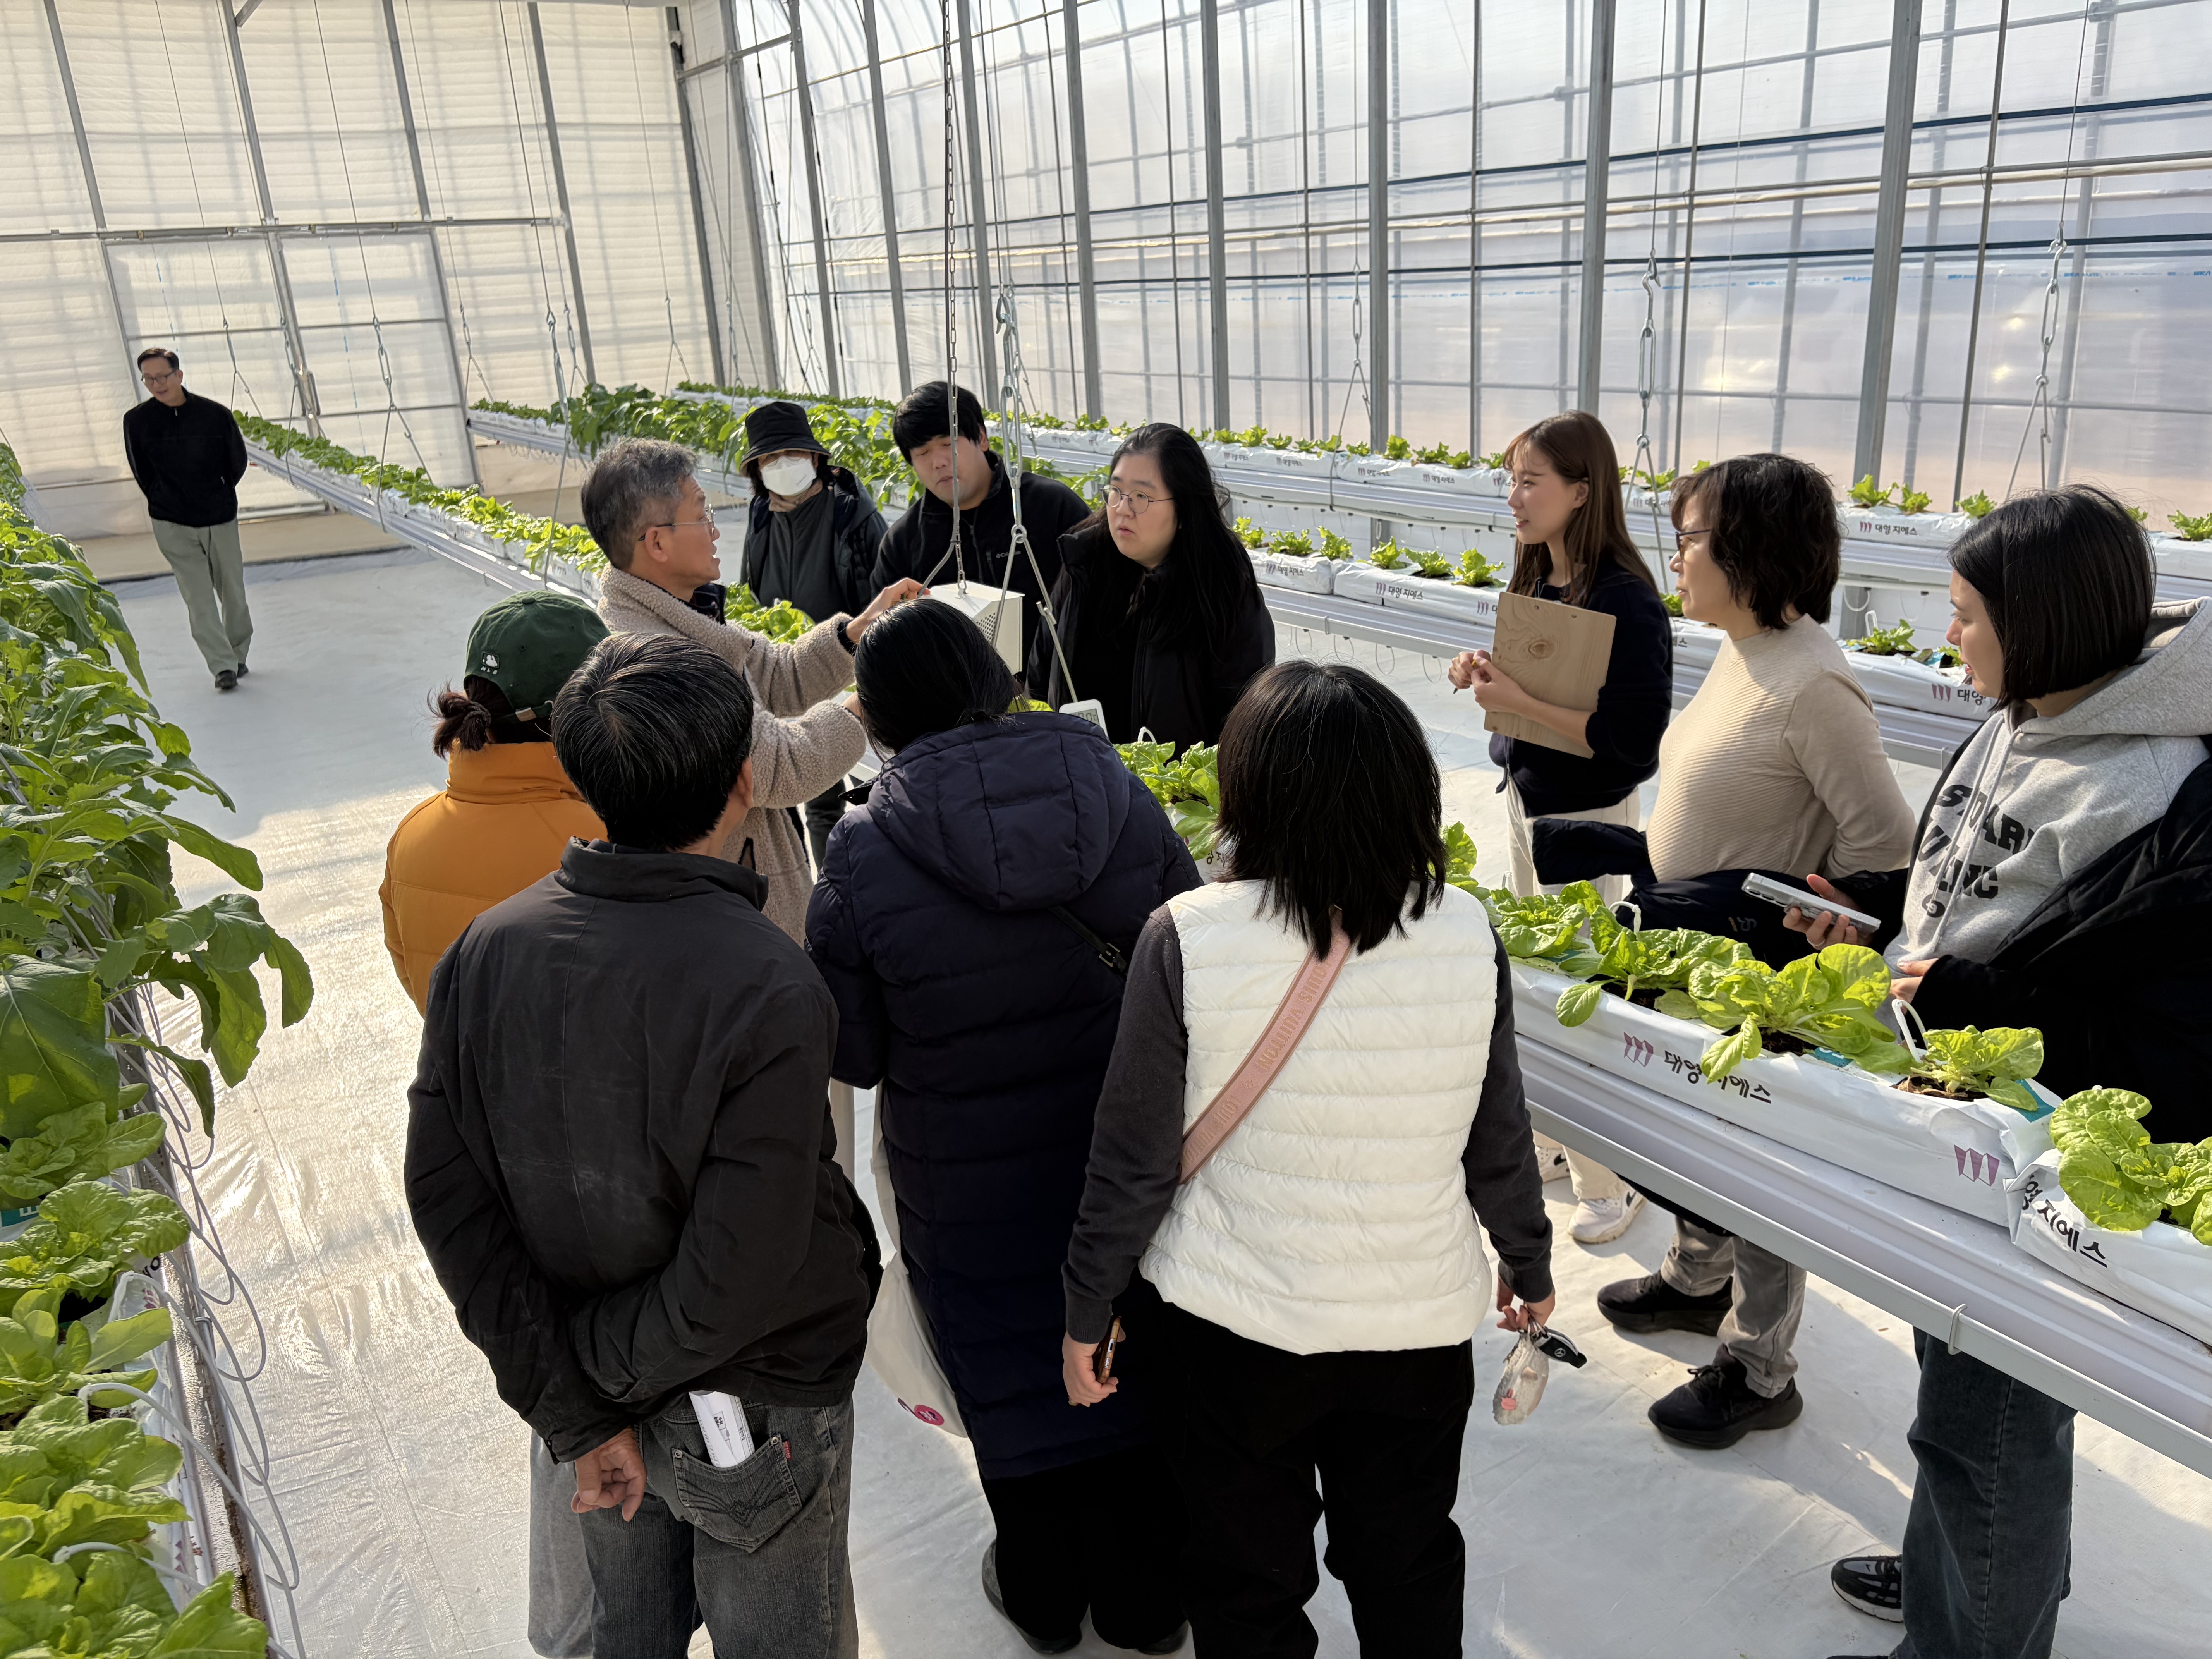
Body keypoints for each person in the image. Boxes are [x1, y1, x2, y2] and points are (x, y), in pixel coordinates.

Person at [1060, 659, 1555, 1659]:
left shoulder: (1187, 936)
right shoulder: (1464, 930)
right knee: (1406, 1559)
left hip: (1229, 1328)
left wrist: (1086, 1308)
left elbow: (1132, 1161)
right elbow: (1495, 1129)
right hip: (1412, 1329)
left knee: (1246, 1579)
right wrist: (1529, 1264)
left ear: (1252, 791)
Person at [406, 631, 879, 1659]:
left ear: (581, 775)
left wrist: (577, 1404)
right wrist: (596, 1376)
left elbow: (448, 1200)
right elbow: (740, 1264)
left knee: (631, 1633)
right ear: (745, 782)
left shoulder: (490, 947)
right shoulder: (767, 981)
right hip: (754, 1395)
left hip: (597, 1400)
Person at [1802, 486, 2212, 1659]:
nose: (1949, 639)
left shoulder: (2166, 792)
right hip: (1956, 1121)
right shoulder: (2023, 712)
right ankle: (1965, 1576)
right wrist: (1877, 921)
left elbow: (2169, 1055)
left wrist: (1967, 1000)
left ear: (2038, 622)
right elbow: (1976, 895)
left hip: (2038, 1153)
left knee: (1988, 1421)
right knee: (1968, 1398)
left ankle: (1969, 1629)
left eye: (1964, 615)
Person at [807, 599, 1198, 1657]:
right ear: (997, 677)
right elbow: (1194, 950)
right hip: (1127, 1156)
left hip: (967, 1186)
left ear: (880, 719)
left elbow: (855, 1050)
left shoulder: (864, 848)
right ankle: (1149, 1602)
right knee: (1133, 1352)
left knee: (1013, 1378)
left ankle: (1044, 1595)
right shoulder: (1113, 787)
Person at [1578, 454, 1915, 1449]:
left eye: (1691, 537)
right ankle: (1696, 1278)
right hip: (1692, 953)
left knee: (1752, 1160)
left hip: (1752, 970)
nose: (1675, 555)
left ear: (1753, 552)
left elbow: (1884, 850)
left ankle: (1761, 1367)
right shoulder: (1743, 649)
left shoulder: (1815, 686)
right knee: (1686, 1138)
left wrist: (1791, 911)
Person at [377, 589, 609, 1659]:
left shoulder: (416, 836)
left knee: (561, 1390)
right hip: (607, 1150)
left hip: (498, 1152)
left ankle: (569, 1625)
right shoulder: (593, 833)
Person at [1447, 409, 1672, 1247]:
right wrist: (1482, 672)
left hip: (1584, 821)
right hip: (1527, 800)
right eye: (1512, 478)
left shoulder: (1628, 603)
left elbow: (1628, 743)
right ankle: (1552, 1140)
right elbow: (1535, 698)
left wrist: (1516, 703)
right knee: (1534, 981)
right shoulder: (1539, 577)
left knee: (1580, 994)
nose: (1515, 496)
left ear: (1583, 491)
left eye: (1531, 479)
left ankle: (1610, 1180)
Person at [586, 436, 920, 943]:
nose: (717, 530)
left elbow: (776, 675)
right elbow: (781, 767)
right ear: (657, 543)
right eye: (703, 515)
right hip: (738, 913)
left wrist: (860, 632)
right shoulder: (659, 658)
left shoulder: (681, 613)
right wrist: (874, 692)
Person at [1037, 423, 1275, 750]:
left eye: (1141, 497)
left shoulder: (1223, 591)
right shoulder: (1084, 563)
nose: (1122, 509)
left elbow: (1246, 723)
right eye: (1117, 492)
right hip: (1079, 778)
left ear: (1184, 510)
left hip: (1172, 794)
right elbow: (1042, 671)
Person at [736, 399, 890, 870]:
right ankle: (796, 885)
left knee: (824, 794)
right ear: (758, 472)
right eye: (769, 459)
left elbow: (880, 596)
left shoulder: (851, 516)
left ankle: (830, 894)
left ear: (815, 458)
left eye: (791, 454)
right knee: (778, 795)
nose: (782, 466)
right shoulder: (762, 515)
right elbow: (750, 587)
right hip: (777, 671)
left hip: (835, 667)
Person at [869, 381, 1091, 688]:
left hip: (1063, 692)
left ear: (982, 438)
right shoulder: (904, 544)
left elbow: (1103, 595)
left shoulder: (1050, 507)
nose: (938, 462)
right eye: (922, 452)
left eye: (948, 444)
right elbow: (890, 647)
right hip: (958, 718)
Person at [121, 347, 252, 691]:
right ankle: (222, 666)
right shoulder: (136, 421)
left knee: (233, 591)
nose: (156, 384)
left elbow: (236, 462)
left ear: (179, 375)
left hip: (219, 517)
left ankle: (238, 655)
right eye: (148, 379)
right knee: (199, 598)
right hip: (172, 523)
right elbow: (142, 472)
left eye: (162, 377)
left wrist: (218, 492)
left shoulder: (215, 416)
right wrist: (166, 498)